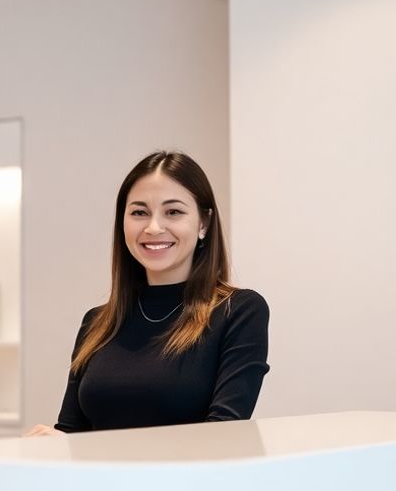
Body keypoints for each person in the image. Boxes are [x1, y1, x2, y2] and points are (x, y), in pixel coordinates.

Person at [26, 151, 269, 435]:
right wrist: (53, 443)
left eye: (173, 212)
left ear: (204, 223)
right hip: (99, 480)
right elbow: (72, 432)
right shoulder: (97, 323)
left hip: (184, 481)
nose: (153, 227)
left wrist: (95, 453)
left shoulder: (239, 311)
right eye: (139, 212)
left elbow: (222, 435)